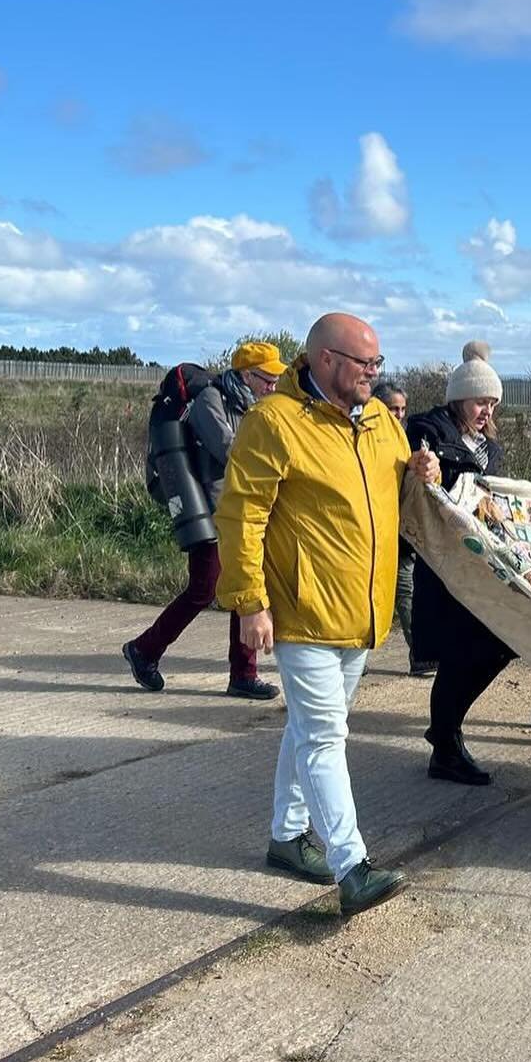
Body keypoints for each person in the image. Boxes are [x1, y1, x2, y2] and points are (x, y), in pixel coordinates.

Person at [216, 312, 438, 917]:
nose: (375, 372)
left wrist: (421, 474)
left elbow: (400, 502)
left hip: (362, 613)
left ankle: (287, 839)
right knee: (325, 738)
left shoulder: (383, 427)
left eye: (378, 363)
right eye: (365, 363)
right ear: (326, 360)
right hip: (302, 610)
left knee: (311, 729)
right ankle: (352, 866)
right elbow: (241, 517)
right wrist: (250, 603)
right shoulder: (274, 422)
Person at [122, 341, 287, 699]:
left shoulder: (252, 405)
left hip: (236, 509)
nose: (272, 386)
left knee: (244, 586)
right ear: (247, 374)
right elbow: (230, 451)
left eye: (276, 380)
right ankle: (144, 650)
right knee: (205, 588)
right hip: (209, 509)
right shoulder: (211, 401)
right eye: (267, 379)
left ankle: (243, 674)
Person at [405, 342, 512, 788]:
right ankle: (446, 746)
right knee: (456, 654)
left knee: (499, 643)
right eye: (479, 401)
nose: (486, 410)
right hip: (445, 568)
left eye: (492, 403)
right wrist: (427, 466)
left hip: (481, 566)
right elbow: (417, 471)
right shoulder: (428, 432)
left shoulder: (492, 448)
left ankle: (445, 734)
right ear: (458, 398)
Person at [371, 378, 423, 670]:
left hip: (400, 533)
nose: (400, 415)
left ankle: (419, 654)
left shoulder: (406, 439)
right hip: (375, 532)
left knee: (406, 593)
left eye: (403, 409)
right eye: (393, 409)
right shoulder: (370, 440)